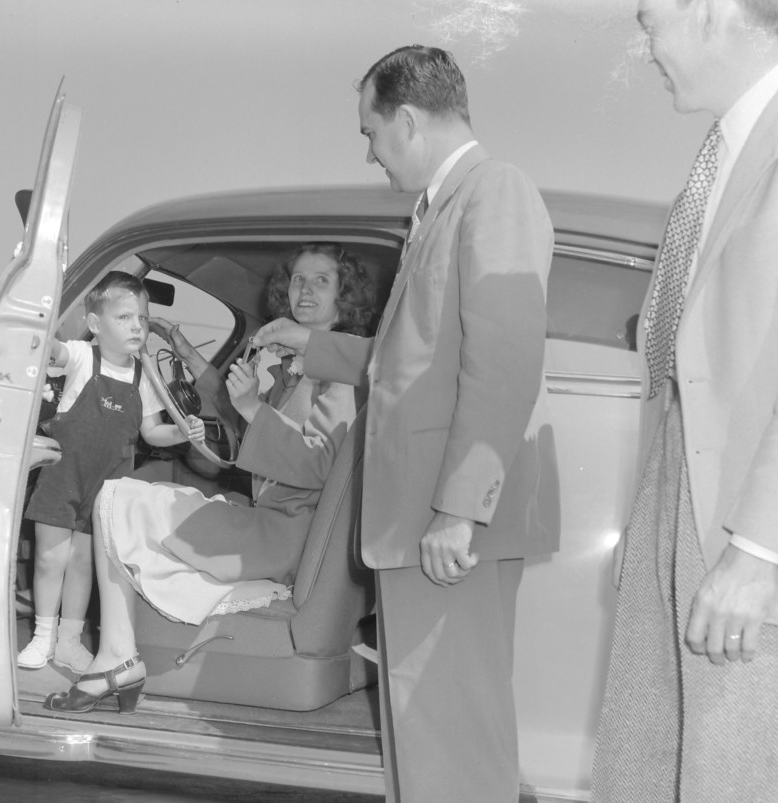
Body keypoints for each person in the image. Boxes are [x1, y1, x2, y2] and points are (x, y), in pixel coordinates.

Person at [253, 47, 558, 802]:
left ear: (410, 121)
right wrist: (310, 344)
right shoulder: (441, 210)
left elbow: (504, 360)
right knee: (426, 742)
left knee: (452, 745)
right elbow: (410, 363)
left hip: (443, 520)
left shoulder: (494, 193)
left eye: (372, 132)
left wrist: (460, 509)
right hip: (419, 520)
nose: (371, 153)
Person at [43, 243, 375, 714]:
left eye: (322, 280)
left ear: (345, 295)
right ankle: (118, 654)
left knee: (116, 497)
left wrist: (254, 407)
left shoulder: (340, 377)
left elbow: (319, 466)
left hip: (286, 536)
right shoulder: (296, 371)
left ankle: (116, 657)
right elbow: (246, 429)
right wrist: (190, 359)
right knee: (135, 498)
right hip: (275, 525)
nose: (305, 289)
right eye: (298, 279)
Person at [591, 2, 778, 799]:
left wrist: (762, 551)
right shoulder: (723, 157)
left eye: (649, 20)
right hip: (683, 507)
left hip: (744, 532)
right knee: (651, 767)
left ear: (709, 11)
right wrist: (654, 531)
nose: (643, 48)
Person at [19, 271, 204, 673]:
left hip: (108, 490)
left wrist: (183, 432)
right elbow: (52, 350)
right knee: (51, 558)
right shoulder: (82, 356)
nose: (137, 326)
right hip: (63, 476)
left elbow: (153, 432)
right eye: (124, 317)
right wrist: (35, 319)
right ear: (95, 324)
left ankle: (69, 640)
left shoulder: (144, 376)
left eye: (142, 318)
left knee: (83, 563)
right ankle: (42, 635)